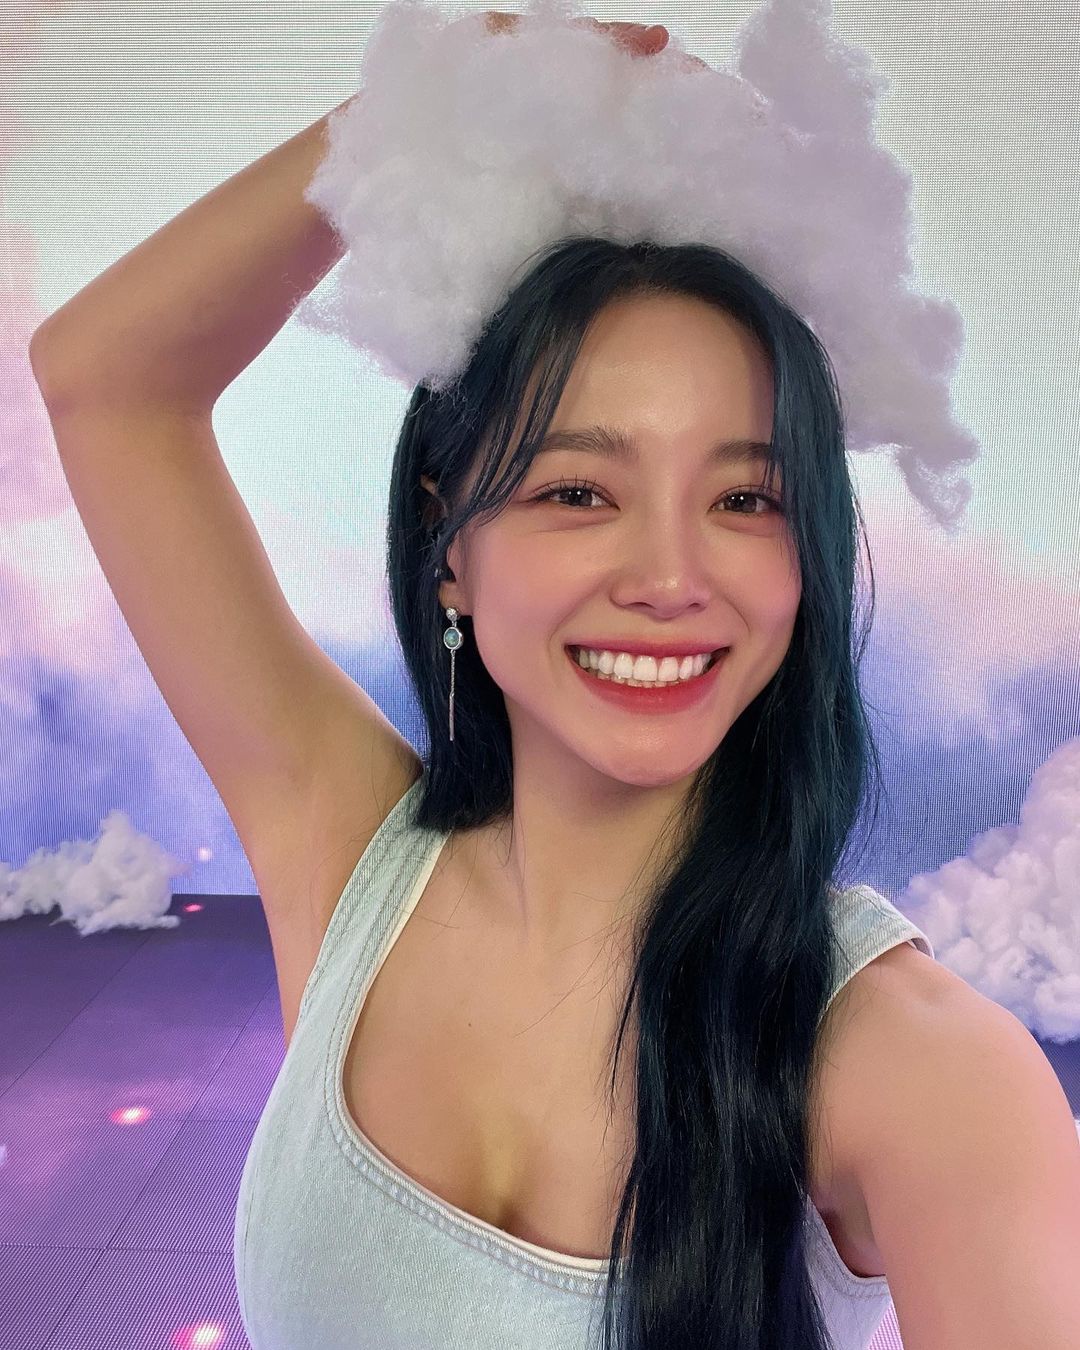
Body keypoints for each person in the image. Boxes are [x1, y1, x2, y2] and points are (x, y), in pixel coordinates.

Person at [28, 11, 948, 1350]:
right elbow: (102, 379)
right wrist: (446, 93)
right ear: (448, 541)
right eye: (580, 490)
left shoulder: (907, 1059)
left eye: (745, 498)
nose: (671, 576)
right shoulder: (349, 852)